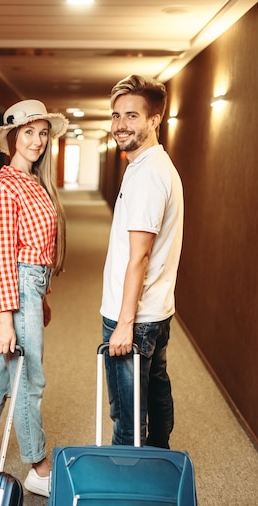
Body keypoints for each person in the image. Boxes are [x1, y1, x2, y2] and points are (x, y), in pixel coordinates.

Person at [0, 100, 68, 497]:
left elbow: (38, 249)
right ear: (11, 136)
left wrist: (41, 296)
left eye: (43, 133)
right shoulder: (5, 186)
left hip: (30, 287)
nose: (38, 140)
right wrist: (8, 319)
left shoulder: (35, 183)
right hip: (15, 287)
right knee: (27, 380)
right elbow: (4, 256)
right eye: (28, 132)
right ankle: (39, 468)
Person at [100, 75, 184, 449]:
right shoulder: (149, 165)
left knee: (128, 418)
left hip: (134, 318)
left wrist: (124, 324)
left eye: (132, 115)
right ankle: (159, 466)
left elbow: (140, 256)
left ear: (154, 120)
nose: (120, 125)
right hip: (156, 310)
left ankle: (128, 493)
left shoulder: (149, 175)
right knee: (154, 394)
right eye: (116, 115)